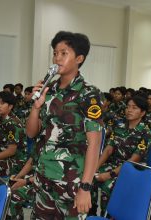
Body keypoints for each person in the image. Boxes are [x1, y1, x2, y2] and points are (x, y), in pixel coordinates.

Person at [26, 31, 103, 219]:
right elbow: (31, 133)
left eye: (63, 53)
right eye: (55, 53)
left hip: (72, 181)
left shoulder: (89, 94)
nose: (57, 58)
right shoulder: (48, 90)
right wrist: (36, 107)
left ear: (79, 58)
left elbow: (94, 144)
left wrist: (85, 187)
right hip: (44, 176)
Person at [93, 95, 151, 213]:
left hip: (133, 170)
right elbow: (108, 149)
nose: (129, 110)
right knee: (89, 179)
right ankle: (92, 212)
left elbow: (133, 160)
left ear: (142, 113)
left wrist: (109, 174)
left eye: (134, 108)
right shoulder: (119, 127)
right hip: (115, 164)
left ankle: (109, 215)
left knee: (107, 185)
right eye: (128, 107)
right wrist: (95, 168)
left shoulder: (145, 134)